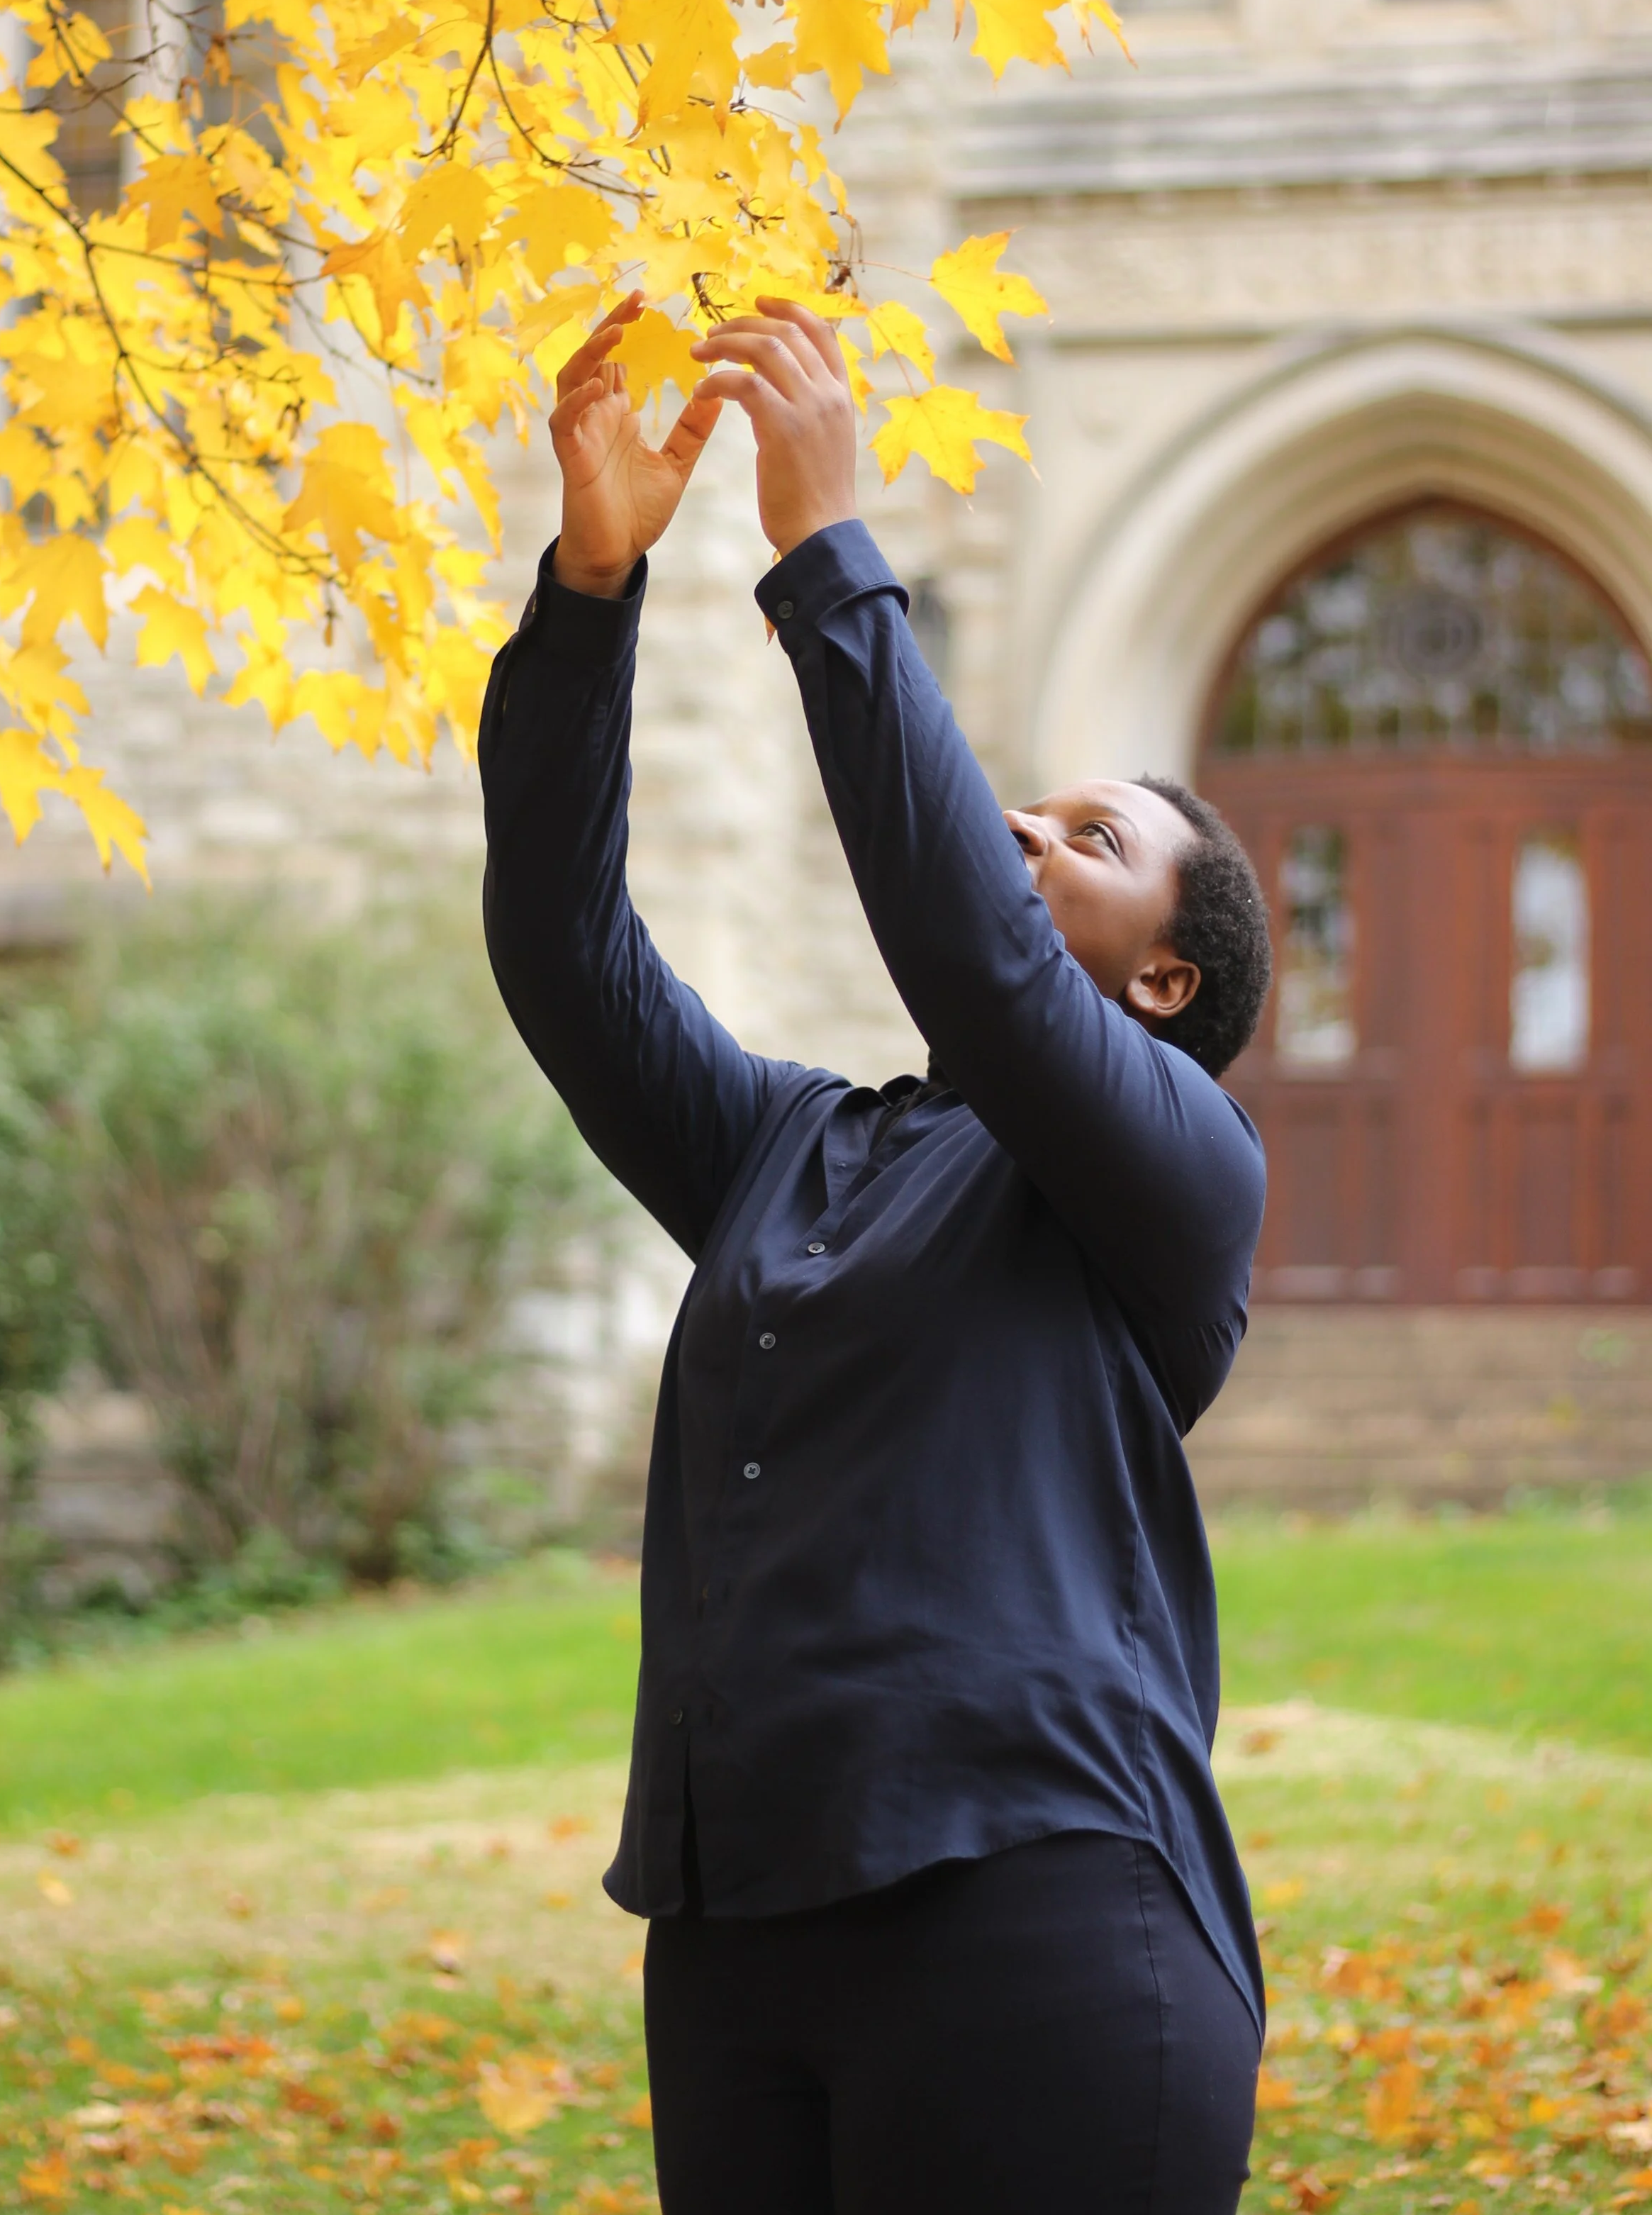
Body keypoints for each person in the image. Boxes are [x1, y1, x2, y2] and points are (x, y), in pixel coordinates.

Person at [477, 289, 1276, 2215]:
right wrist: (593, 591)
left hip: (1044, 1913)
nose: (1023, 820)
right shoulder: (791, 1148)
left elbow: (978, 968)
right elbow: (567, 961)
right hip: (735, 1926)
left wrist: (829, 555)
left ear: (1161, 978)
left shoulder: (1175, 1166)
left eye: (1085, 835)